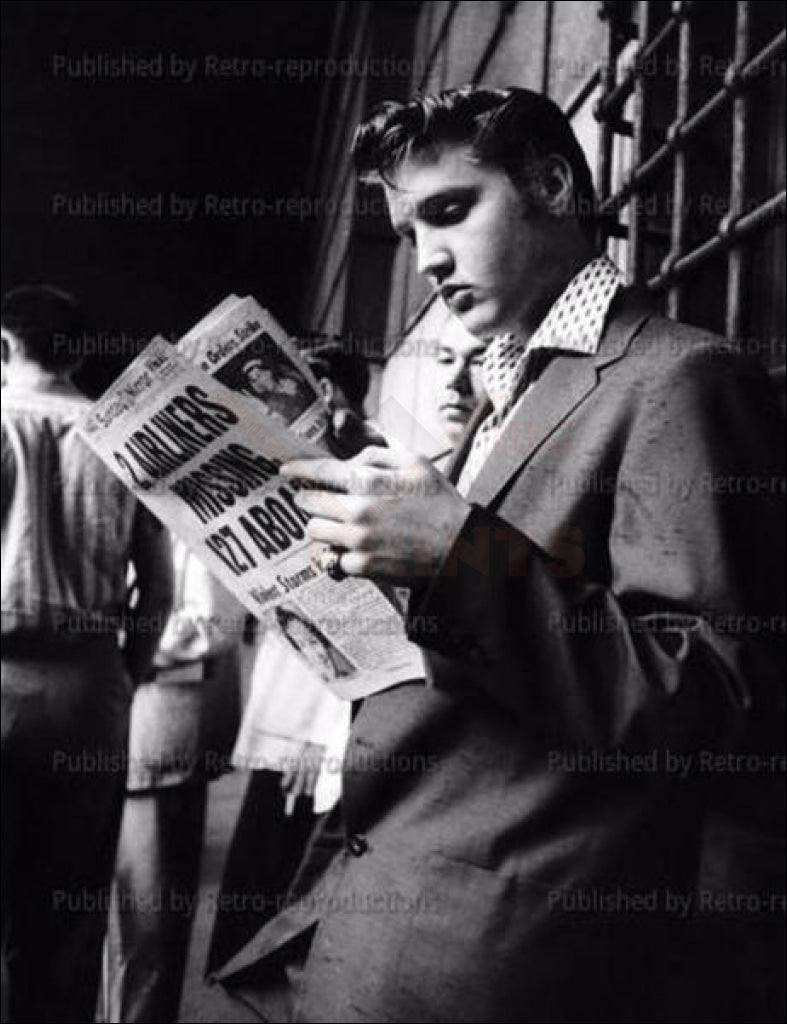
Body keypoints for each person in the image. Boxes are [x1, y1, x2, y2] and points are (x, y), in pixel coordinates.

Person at [215, 84, 785, 1022]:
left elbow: (714, 699)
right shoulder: (508, 384)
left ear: (553, 185)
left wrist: (451, 557)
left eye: (450, 210)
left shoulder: (680, 378)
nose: (429, 258)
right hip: (389, 907)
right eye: (407, 233)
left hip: (514, 945)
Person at [1, 285, 173, 1023]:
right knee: (68, 910)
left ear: (5, 348)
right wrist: (122, 676)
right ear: (74, 354)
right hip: (90, 690)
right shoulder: (122, 439)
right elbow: (158, 591)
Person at [102, 536, 245, 1023]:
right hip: (104, 729)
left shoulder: (187, 519)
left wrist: (101, 640)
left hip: (158, 740)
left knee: (148, 925)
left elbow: (212, 625)